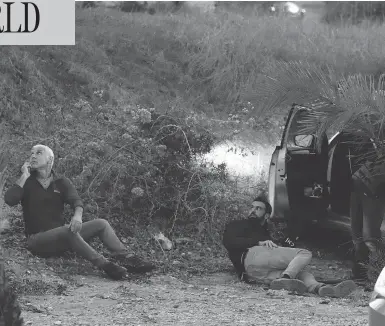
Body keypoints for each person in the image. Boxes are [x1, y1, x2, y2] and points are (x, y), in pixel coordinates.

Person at [4, 144, 155, 280]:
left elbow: (77, 201)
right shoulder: (27, 182)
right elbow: (10, 200)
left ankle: (128, 258)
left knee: (101, 224)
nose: (33, 156)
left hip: (63, 239)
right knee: (67, 230)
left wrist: (78, 215)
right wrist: (24, 175)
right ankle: (106, 265)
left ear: (50, 159)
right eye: (31, 153)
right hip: (37, 240)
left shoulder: (61, 182)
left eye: (38, 153)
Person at [222, 196, 357, 297]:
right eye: (252, 207)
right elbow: (229, 242)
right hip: (250, 256)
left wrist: (281, 243)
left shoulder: (265, 234)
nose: (253, 210)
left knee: (302, 273)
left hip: (253, 275)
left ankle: (321, 288)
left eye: (258, 208)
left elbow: (276, 253)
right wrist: (258, 243)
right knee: (304, 253)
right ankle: (286, 279)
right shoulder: (237, 225)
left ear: (267, 215)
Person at [350, 159, 385, 282]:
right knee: (371, 237)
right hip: (371, 184)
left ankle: (360, 273)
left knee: (360, 231)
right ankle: (367, 275)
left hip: (361, 177)